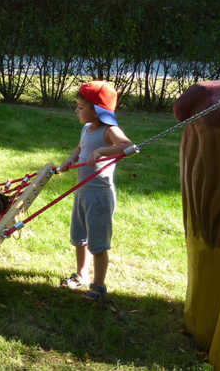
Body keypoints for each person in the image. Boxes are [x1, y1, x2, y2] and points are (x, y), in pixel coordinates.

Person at [58, 81, 133, 301]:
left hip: (99, 196)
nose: (76, 111)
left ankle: (98, 286)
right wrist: (71, 158)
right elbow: (81, 147)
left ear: (97, 110)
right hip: (82, 192)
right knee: (79, 238)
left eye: (81, 107)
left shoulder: (109, 130)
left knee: (98, 243)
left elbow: (128, 146)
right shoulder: (86, 128)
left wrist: (102, 150)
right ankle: (81, 274)